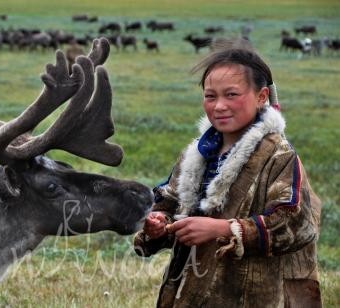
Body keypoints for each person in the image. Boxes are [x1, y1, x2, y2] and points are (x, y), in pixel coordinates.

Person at [134, 42, 322, 307]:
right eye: (211, 96)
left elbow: (296, 225)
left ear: (261, 96)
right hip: (190, 289)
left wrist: (222, 229)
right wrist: (158, 223)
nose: (219, 105)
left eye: (231, 94)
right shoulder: (197, 154)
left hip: (251, 294)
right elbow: (171, 203)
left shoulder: (279, 157)